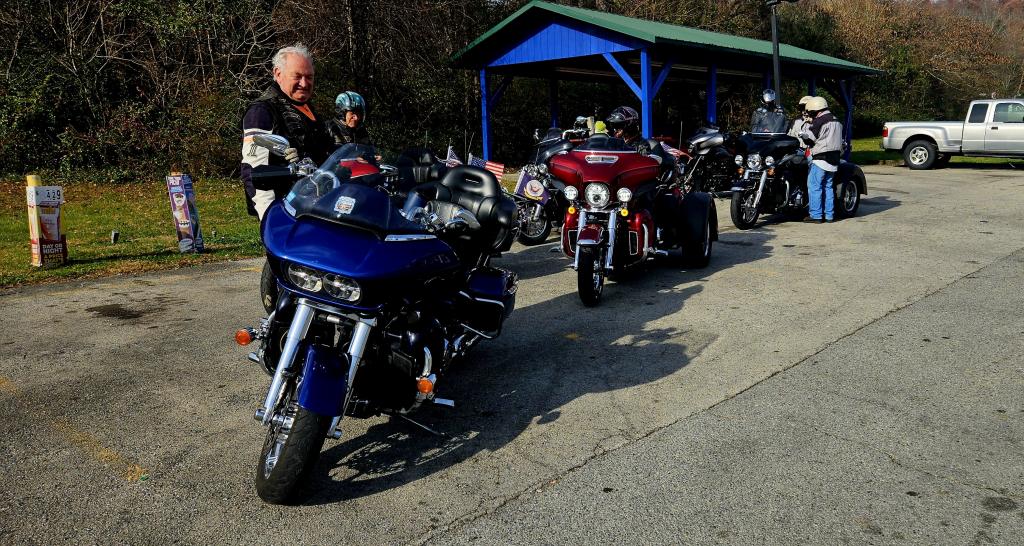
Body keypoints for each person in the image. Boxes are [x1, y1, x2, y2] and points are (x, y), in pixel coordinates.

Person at [240, 44, 335, 221]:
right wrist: (270, 219)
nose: (304, 83)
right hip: (287, 213)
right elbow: (252, 171)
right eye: (297, 76)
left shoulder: (307, 108)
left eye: (309, 77)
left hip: (317, 207)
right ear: (278, 74)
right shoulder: (262, 111)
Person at [798, 96, 844, 223]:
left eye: (811, 112)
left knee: (814, 186)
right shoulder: (837, 120)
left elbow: (810, 138)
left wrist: (803, 135)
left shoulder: (820, 121)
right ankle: (829, 215)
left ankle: (816, 215)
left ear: (816, 109)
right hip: (834, 159)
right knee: (828, 187)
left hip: (820, 158)